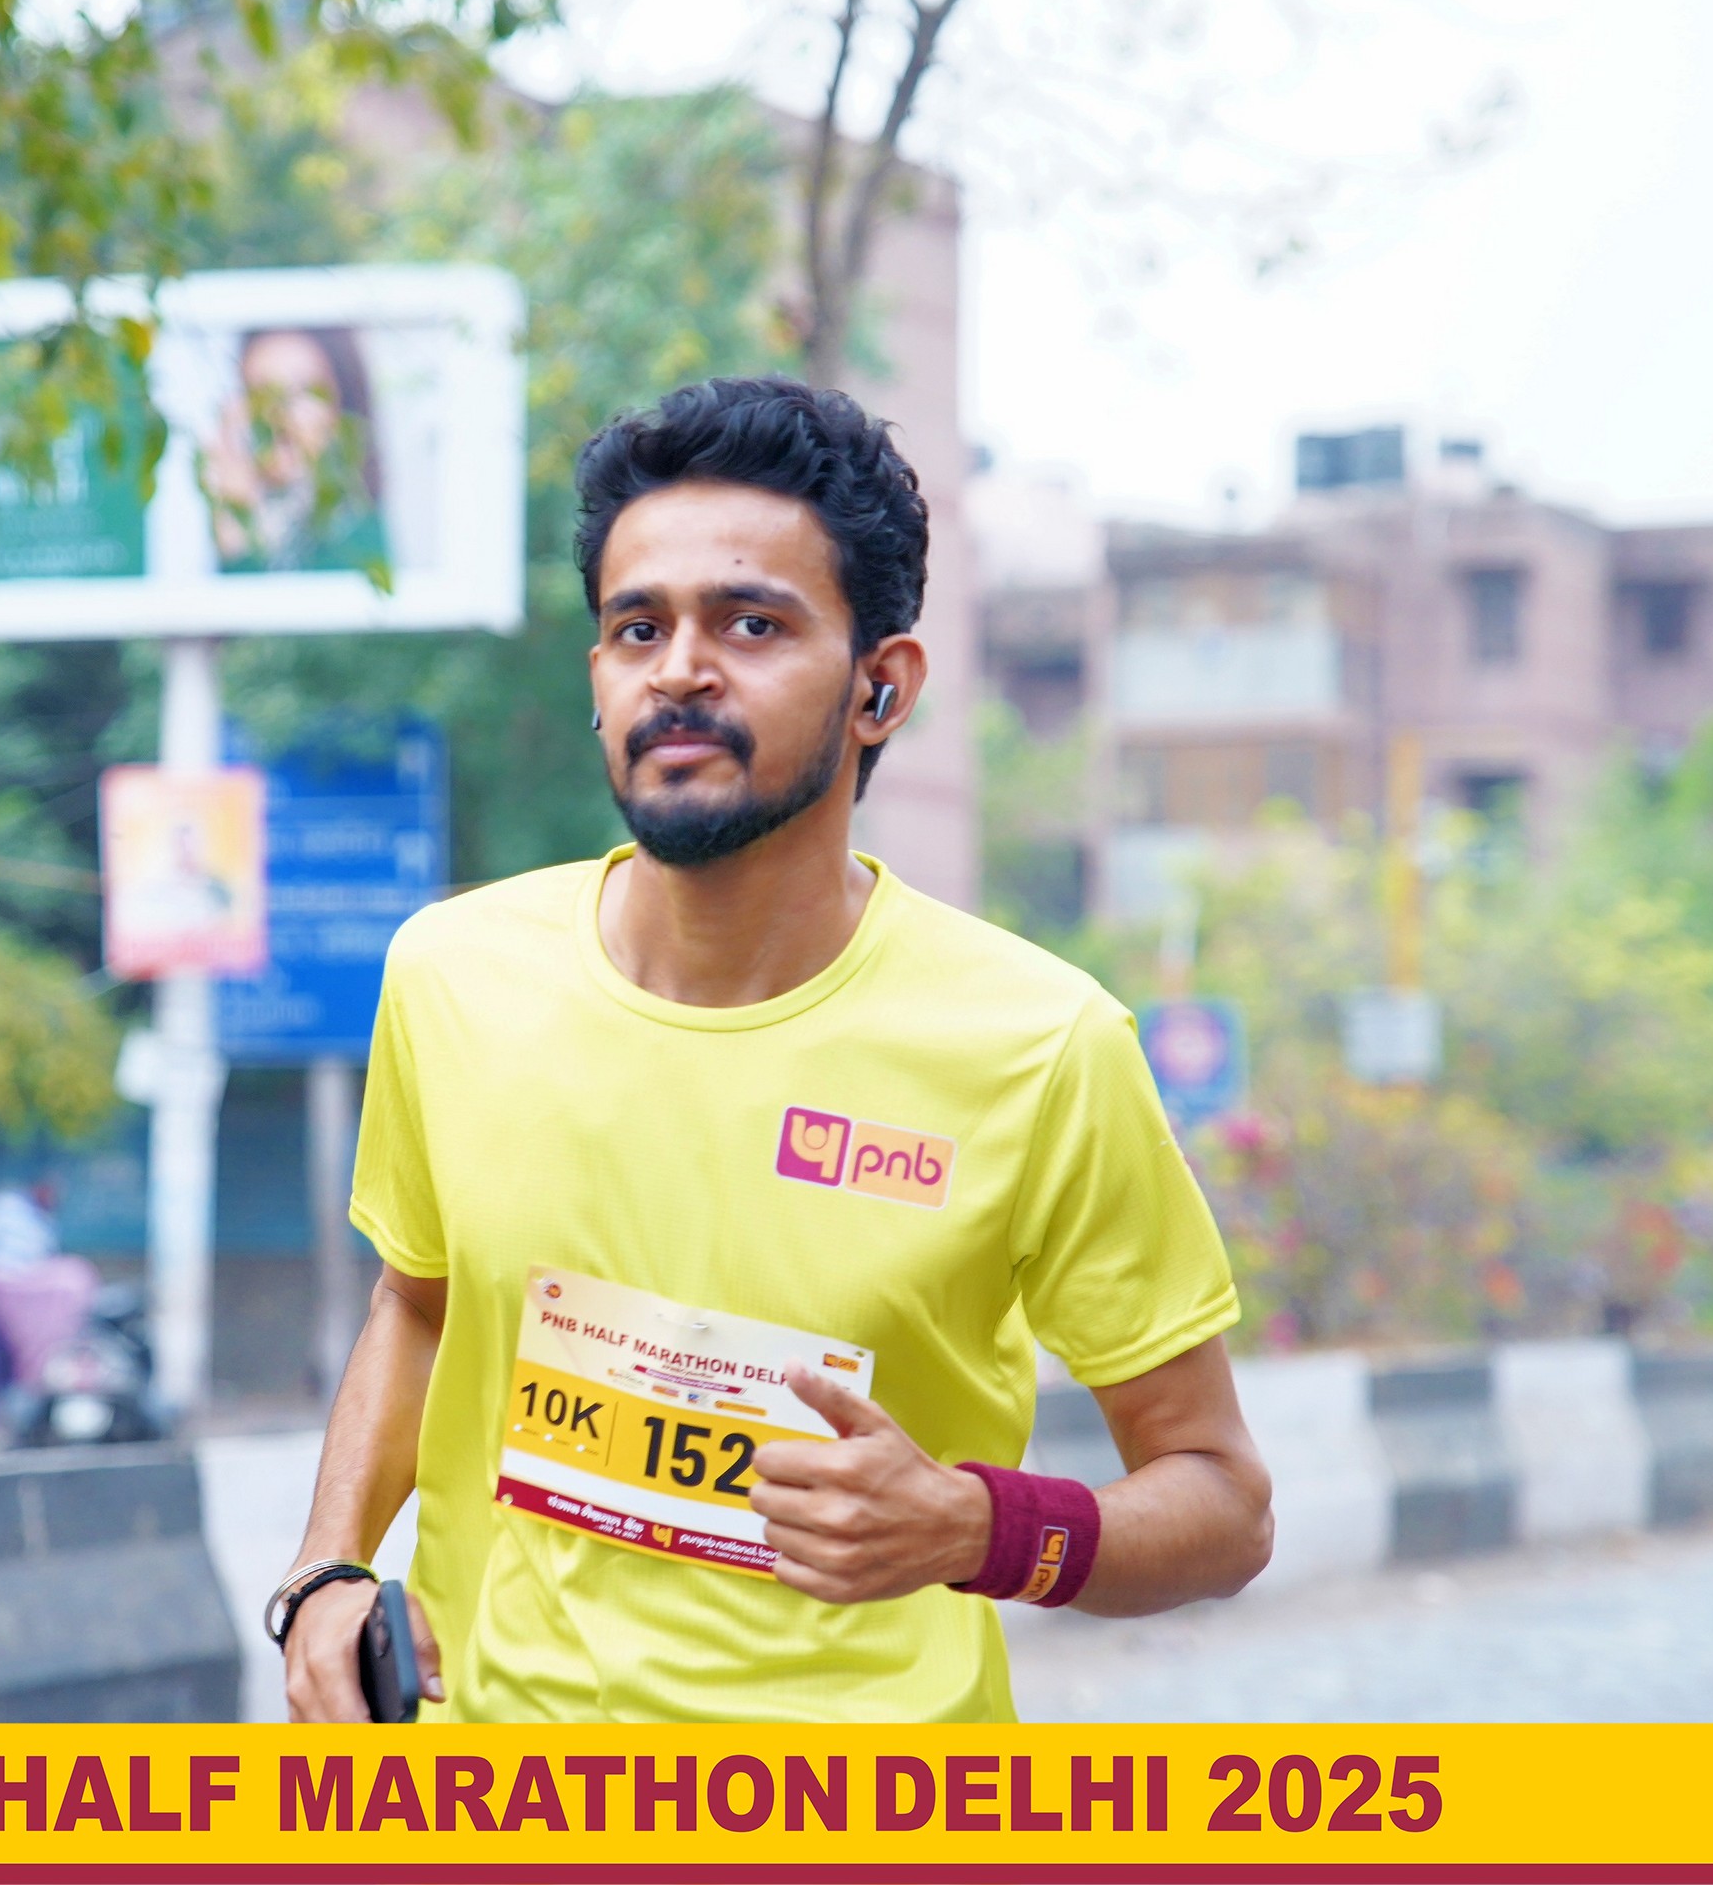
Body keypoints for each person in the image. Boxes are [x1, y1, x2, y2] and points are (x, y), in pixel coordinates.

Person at [268, 377, 1272, 1723]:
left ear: (880, 687)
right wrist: (328, 1566)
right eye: (639, 627)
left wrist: (975, 1528)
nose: (680, 668)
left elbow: (1222, 1504)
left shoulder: (1040, 1047)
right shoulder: (454, 972)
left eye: (751, 623)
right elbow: (420, 1303)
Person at [201, 326, 389, 576]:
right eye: (261, 393)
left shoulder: (357, 525)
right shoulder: (232, 515)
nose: (280, 415)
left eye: (302, 390)